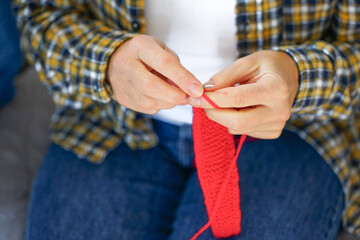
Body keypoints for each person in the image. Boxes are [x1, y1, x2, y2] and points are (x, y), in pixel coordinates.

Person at [12, 0, 360, 239]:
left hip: (297, 128)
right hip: (107, 121)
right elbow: (38, 13)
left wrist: (300, 78)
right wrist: (106, 62)